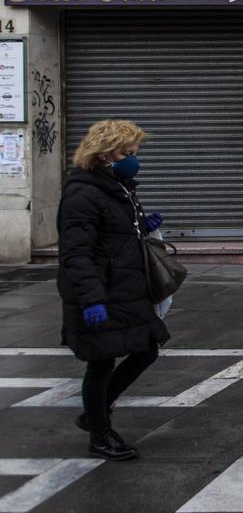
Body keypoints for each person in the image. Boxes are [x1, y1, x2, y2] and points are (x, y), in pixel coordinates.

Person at [57, 119, 169, 461]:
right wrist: (91, 299)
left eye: (134, 152)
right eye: (126, 152)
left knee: (146, 348)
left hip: (125, 289)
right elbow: (76, 253)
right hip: (100, 292)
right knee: (101, 362)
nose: (132, 159)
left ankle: (95, 414)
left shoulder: (118, 186)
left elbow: (112, 235)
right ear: (104, 153)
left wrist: (141, 227)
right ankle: (100, 435)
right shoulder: (82, 193)